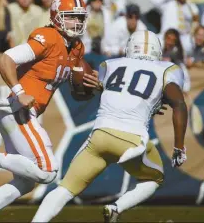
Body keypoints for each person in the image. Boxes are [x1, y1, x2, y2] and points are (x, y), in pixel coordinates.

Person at [0, 0, 99, 222]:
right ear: (57, 17)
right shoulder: (48, 37)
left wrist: (94, 87)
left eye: (80, 17)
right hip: (18, 110)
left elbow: (78, 94)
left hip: (19, 114)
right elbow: (5, 59)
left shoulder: (76, 47)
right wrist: (20, 92)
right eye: (71, 17)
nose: (77, 23)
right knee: (48, 170)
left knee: (25, 182)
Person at [31, 30, 188, 223]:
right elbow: (179, 104)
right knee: (153, 179)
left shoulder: (110, 65)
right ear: (157, 50)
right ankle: (116, 208)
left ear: (129, 47)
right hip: (132, 140)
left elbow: (116, 90)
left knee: (64, 188)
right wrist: (179, 147)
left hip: (100, 136)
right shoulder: (168, 69)